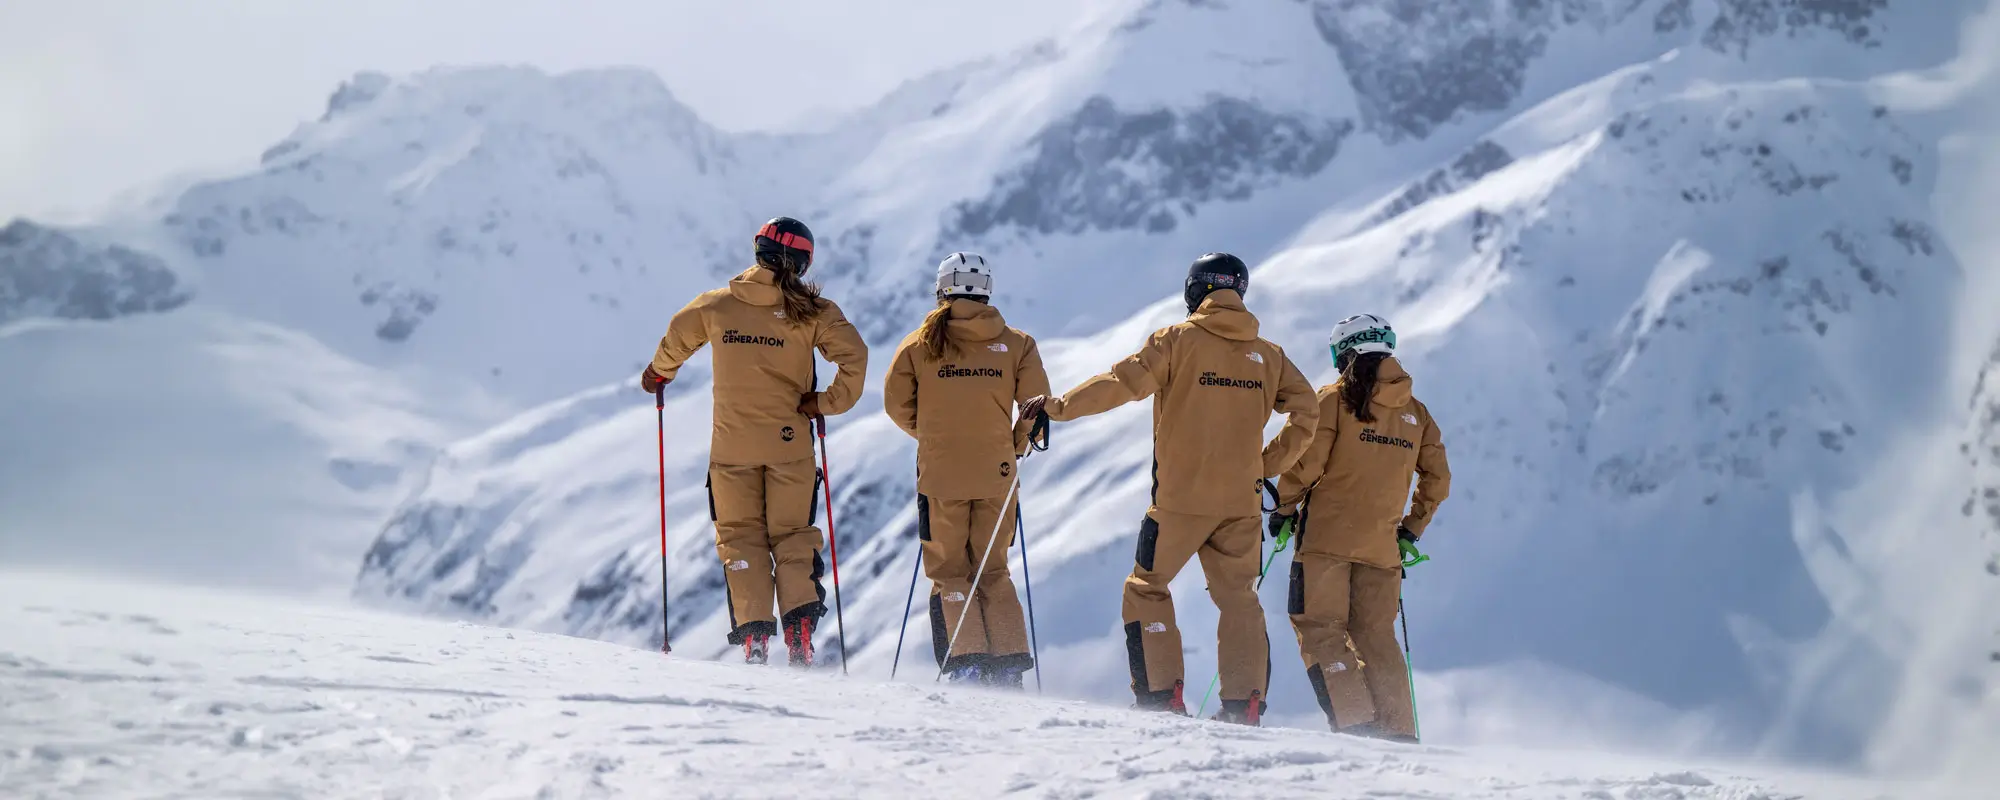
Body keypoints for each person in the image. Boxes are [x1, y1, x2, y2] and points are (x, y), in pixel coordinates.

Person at [1019, 253, 1318, 724]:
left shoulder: (1176, 341)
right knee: (1239, 599)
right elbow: (1308, 414)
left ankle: (1161, 696)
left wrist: (1056, 408)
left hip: (1180, 501)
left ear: (1195, 291)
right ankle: (1245, 705)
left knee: (1147, 587)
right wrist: (1262, 467)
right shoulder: (1270, 355)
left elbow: (1120, 384)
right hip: (1240, 503)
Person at [639, 217, 869, 668]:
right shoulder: (815, 312)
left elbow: (675, 340)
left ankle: (754, 639)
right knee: (792, 536)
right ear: (803, 264)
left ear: (757, 250)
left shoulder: (718, 306)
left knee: (741, 539)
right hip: (789, 445)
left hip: (732, 450)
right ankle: (799, 629)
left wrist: (659, 374)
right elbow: (855, 358)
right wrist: (826, 402)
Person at [1269, 313, 1450, 743]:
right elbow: (1438, 479)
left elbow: (1306, 465)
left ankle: (1356, 726)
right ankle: (1399, 732)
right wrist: (1411, 530)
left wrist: (1284, 508)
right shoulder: (1416, 413)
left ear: (1345, 352)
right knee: (1377, 639)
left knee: (1319, 628)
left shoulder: (1334, 400)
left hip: (1325, 544)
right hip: (1383, 548)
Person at [883, 252, 1051, 689]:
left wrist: (933, 436)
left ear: (942, 290)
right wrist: (1011, 445)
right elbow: (1037, 406)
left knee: (949, 570)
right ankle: (1009, 663)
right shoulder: (1017, 344)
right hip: (997, 472)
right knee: (993, 568)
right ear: (987, 289)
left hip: (941, 474)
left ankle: (968, 661)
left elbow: (895, 403)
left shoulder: (919, 344)